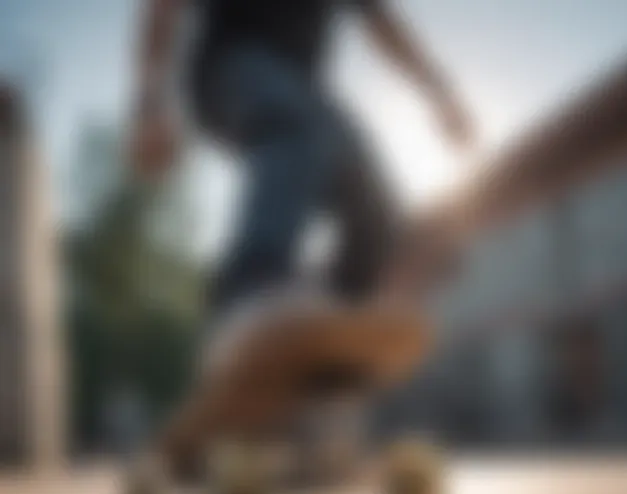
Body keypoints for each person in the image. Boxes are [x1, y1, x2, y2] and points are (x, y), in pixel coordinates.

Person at [128, 0, 476, 354]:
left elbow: (384, 25)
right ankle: (249, 299)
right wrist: (150, 104)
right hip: (230, 69)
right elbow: (163, 7)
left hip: (304, 95)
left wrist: (439, 92)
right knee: (299, 123)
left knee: (377, 217)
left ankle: (327, 341)